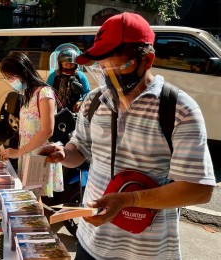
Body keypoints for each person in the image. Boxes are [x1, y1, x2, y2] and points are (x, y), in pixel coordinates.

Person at [39, 12, 215, 259]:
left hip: (148, 251)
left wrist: (129, 200)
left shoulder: (179, 109)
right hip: (91, 242)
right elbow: (79, 150)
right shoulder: (94, 100)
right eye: (103, 67)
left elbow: (199, 189)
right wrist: (63, 153)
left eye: (119, 67)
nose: (109, 76)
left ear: (148, 60)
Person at [0, 52, 63, 198]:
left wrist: (19, 152)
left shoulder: (44, 92)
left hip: (39, 157)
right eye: (8, 79)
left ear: (24, 72)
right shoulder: (28, 94)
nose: (11, 82)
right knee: (31, 201)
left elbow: (47, 130)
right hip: (29, 155)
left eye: (12, 77)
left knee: (33, 201)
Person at [47, 45, 90, 113]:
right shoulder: (53, 76)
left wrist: (80, 101)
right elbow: (47, 92)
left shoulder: (80, 75)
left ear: (76, 64)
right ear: (60, 64)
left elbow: (87, 92)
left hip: (75, 110)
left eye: (71, 63)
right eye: (66, 63)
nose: (69, 66)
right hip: (56, 110)